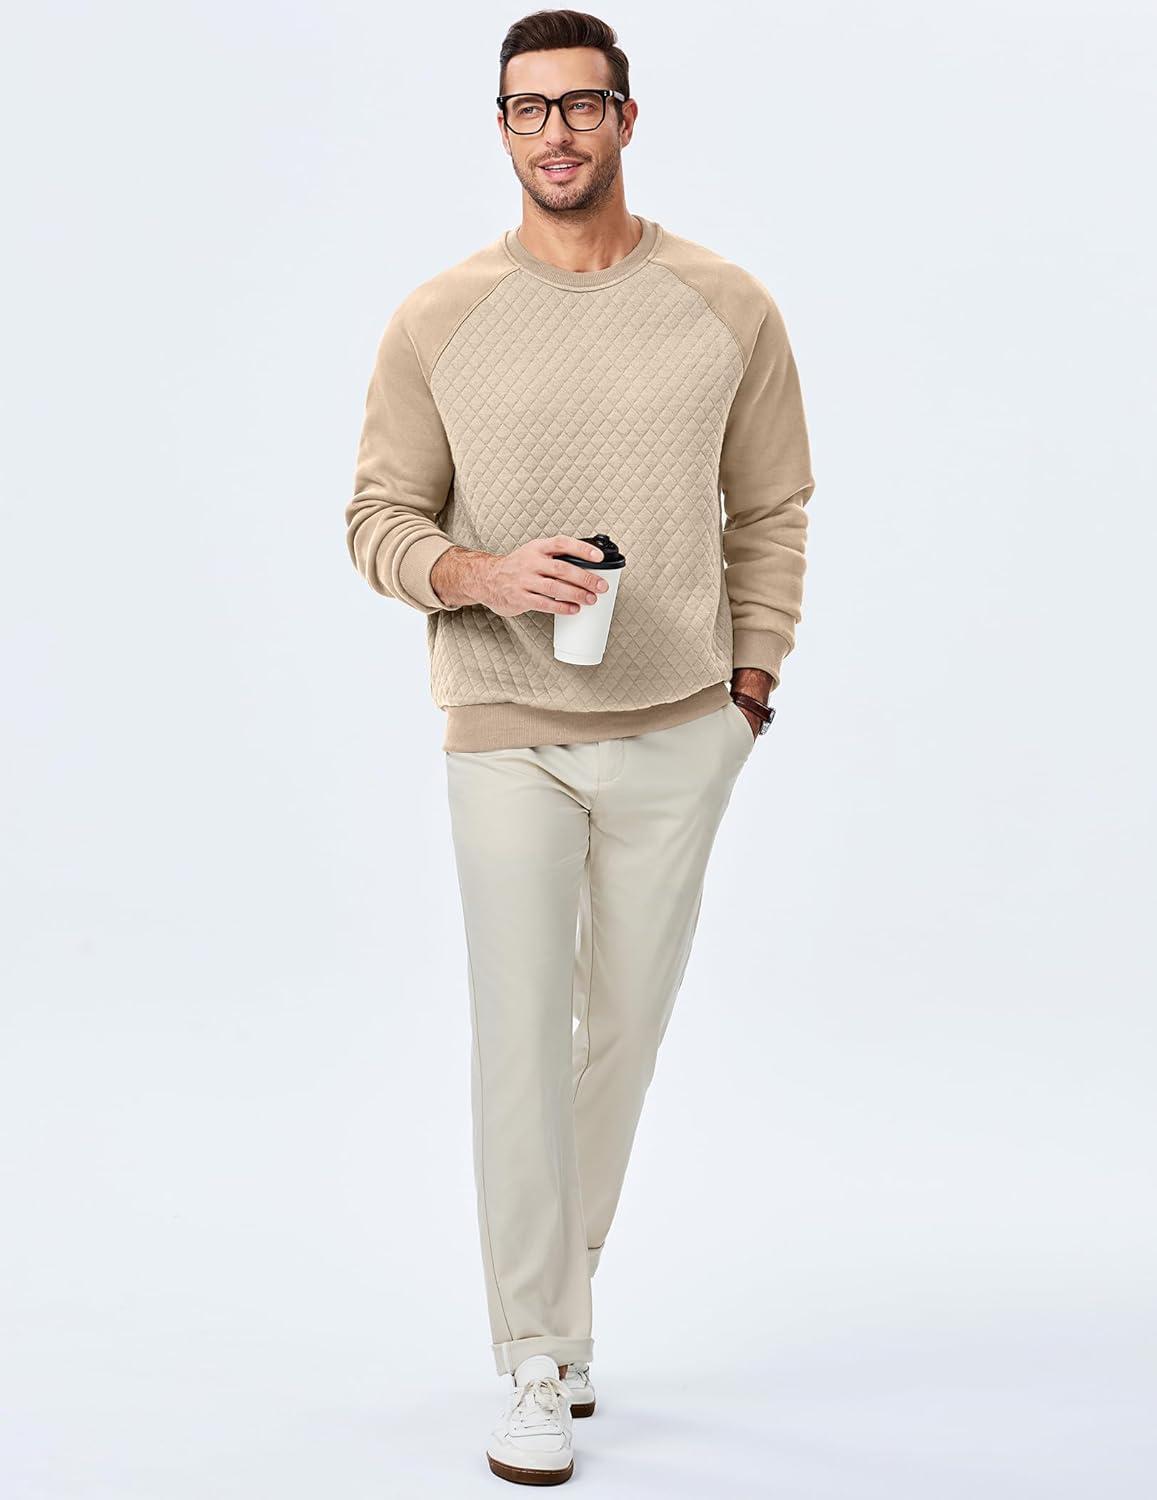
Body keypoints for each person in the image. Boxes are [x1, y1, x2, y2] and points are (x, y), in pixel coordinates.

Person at [345, 8, 816, 1486]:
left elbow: (772, 506)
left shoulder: (726, 303)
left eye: (581, 104)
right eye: (527, 108)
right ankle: (538, 1356)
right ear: (500, 126)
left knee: (620, 1038)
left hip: (682, 727)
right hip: (506, 733)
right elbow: (376, 520)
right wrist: (481, 575)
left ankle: (560, 1295)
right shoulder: (438, 317)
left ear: (626, 117)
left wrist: (750, 680)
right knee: (518, 1043)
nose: (555, 131)